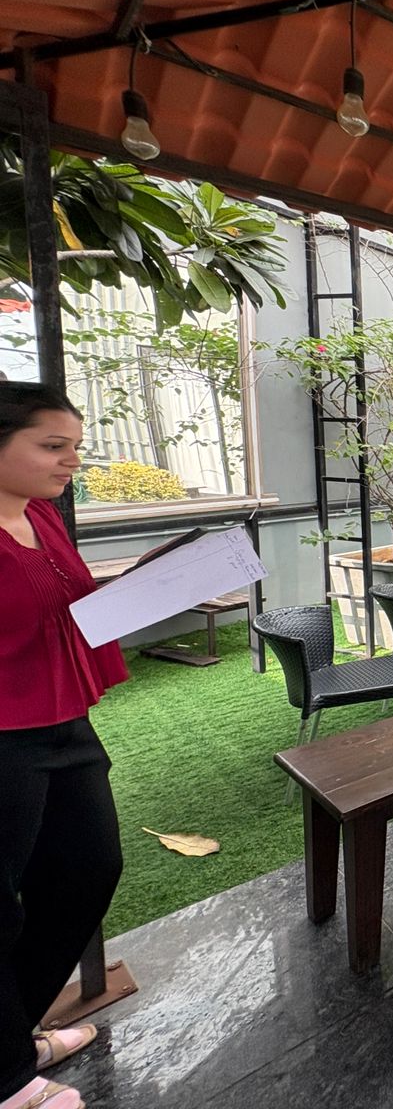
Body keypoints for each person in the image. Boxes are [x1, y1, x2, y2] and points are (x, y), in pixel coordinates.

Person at [1, 384, 129, 1109]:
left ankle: (11, 1040)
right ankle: (8, 1078)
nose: (71, 460)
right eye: (53, 446)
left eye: (75, 446)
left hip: (63, 722)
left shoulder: (42, 516)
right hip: (3, 736)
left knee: (88, 869)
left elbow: (68, 604)